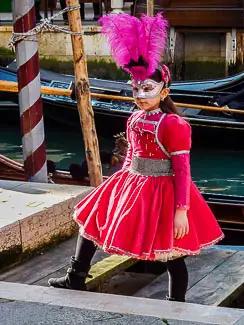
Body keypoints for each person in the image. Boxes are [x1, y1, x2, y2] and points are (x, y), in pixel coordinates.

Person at [48, 13, 224, 302]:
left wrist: (181, 210)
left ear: (163, 91)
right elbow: (131, 153)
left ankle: (176, 305)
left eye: (147, 89)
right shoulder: (134, 117)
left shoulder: (174, 125)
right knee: (91, 220)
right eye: (136, 88)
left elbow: (182, 170)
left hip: (161, 190)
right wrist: (117, 182)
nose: (140, 94)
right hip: (131, 181)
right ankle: (75, 277)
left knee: (171, 252)